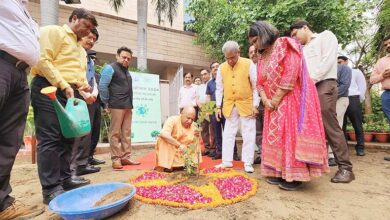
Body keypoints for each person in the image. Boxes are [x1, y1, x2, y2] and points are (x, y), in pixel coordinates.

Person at [249, 21, 329, 190]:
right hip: (271, 105)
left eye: (255, 40)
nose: (254, 45)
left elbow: (290, 74)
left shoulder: (286, 44)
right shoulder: (262, 56)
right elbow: (260, 82)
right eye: (252, 43)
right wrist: (265, 100)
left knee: (289, 137)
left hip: (289, 100)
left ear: (264, 34)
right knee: (276, 139)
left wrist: (275, 100)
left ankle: (294, 176)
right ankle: (279, 172)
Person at [30, 8, 97, 204]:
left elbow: (77, 74)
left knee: (68, 137)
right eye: (86, 26)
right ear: (74, 18)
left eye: (91, 29)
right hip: (48, 88)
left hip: (69, 92)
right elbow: (43, 59)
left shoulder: (80, 49)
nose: (88, 32)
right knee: (50, 138)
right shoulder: (54, 31)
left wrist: (82, 87)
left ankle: (66, 179)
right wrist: (63, 83)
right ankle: (51, 188)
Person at [290, 20, 355, 183]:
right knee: (310, 128)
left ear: (305, 28)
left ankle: (346, 169)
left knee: (330, 126)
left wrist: (311, 81)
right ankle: (313, 166)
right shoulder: (301, 50)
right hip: (307, 89)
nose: (295, 38)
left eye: (295, 34)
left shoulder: (326, 36)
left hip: (323, 85)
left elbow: (327, 61)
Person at [0, 0, 45, 218]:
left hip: (20, 73)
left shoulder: (24, 9)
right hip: (2, 64)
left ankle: (2, 204)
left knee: (8, 142)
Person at [215, 41, 260, 173]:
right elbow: (219, 88)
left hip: (247, 104)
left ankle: (247, 162)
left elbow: (256, 85)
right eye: (227, 58)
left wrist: (255, 105)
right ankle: (227, 161)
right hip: (229, 105)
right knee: (228, 133)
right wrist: (218, 106)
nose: (230, 61)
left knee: (248, 133)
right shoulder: (221, 68)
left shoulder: (248, 63)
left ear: (238, 52)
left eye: (232, 57)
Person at [99, 46, 140, 169]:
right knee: (115, 133)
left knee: (126, 133)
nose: (126, 60)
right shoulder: (110, 68)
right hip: (116, 105)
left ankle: (126, 157)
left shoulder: (127, 71)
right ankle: (116, 159)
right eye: (124, 57)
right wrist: (106, 103)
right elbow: (102, 86)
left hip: (128, 106)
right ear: (117, 56)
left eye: (128, 58)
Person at [71, 28, 102, 176]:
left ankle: (83, 163)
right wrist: (84, 94)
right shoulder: (75, 53)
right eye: (89, 37)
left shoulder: (88, 58)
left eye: (94, 39)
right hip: (78, 95)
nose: (91, 41)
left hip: (90, 97)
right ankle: (75, 166)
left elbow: (93, 80)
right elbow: (74, 76)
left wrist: (93, 94)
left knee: (87, 132)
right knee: (78, 132)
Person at [206, 62, 240, 161]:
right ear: (211, 70)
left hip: (227, 110)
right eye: (213, 67)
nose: (215, 68)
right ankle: (219, 152)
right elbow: (208, 98)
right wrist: (209, 111)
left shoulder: (227, 79)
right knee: (217, 133)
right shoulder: (210, 83)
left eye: (217, 66)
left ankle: (234, 153)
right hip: (214, 111)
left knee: (229, 132)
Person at [155, 106, 201, 172]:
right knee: (162, 139)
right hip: (173, 148)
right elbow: (163, 133)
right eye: (188, 118)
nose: (190, 121)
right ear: (181, 114)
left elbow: (196, 140)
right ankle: (167, 165)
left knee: (196, 138)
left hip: (184, 150)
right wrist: (179, 145)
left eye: (192, 119)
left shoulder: (194, 125)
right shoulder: (172, 120)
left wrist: (198, 135)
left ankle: (190, 163)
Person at [339, 56, 367, 156]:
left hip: (353, 98)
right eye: (337, 62)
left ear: (346, 61)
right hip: (340, 98)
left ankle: (360, 147)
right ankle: (344, 148)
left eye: (340, 62)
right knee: (341, 125)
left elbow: (362, 86)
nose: (339, 64)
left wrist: (359, 99)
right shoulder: (335, 72)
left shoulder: (356, 72)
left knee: (357, 124)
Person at [370, 35, 390, 161]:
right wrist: (382, 75)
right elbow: (372, 79)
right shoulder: (381, 61)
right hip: (387, 96)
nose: (388, 46)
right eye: (386, 45)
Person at [328, 63, 352, 166]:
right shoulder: (323, 66)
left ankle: (332, 155)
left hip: (339, 99)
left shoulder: (344, 68)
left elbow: (345, 85)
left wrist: (329, 97)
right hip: (325, 100)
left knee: (336, 126)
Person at [86, 50, 106, 166]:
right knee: (87, 132)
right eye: (90, 58)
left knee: (95, 131)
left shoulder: (97, 74)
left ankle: (90, 156)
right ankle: (83, 160)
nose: (93, 60)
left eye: (94, 58)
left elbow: (100, 91)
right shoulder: (83, 71)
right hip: (86, 102)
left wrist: (104, 105)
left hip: (96, 104)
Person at [249, 45, 264, 165]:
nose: (253, 53)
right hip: (254, 104)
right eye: (251, 52)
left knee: (268, 129)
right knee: (257, 131)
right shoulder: (248, 68)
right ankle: (261, 154)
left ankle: (269, 155)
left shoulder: (266, 64)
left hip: (267, 102)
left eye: (255, 51)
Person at [197, 69, 215, 157]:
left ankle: (213, 149)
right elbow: (197, 98)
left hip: (211, 108)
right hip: (202, 109)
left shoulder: (213, 83)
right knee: (204, 129)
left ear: (209, 74)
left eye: (205, 74)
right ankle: (207, 148)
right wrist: (201, 106)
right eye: (202, 75)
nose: (203, 76)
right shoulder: (199, 87)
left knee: (212, 129)